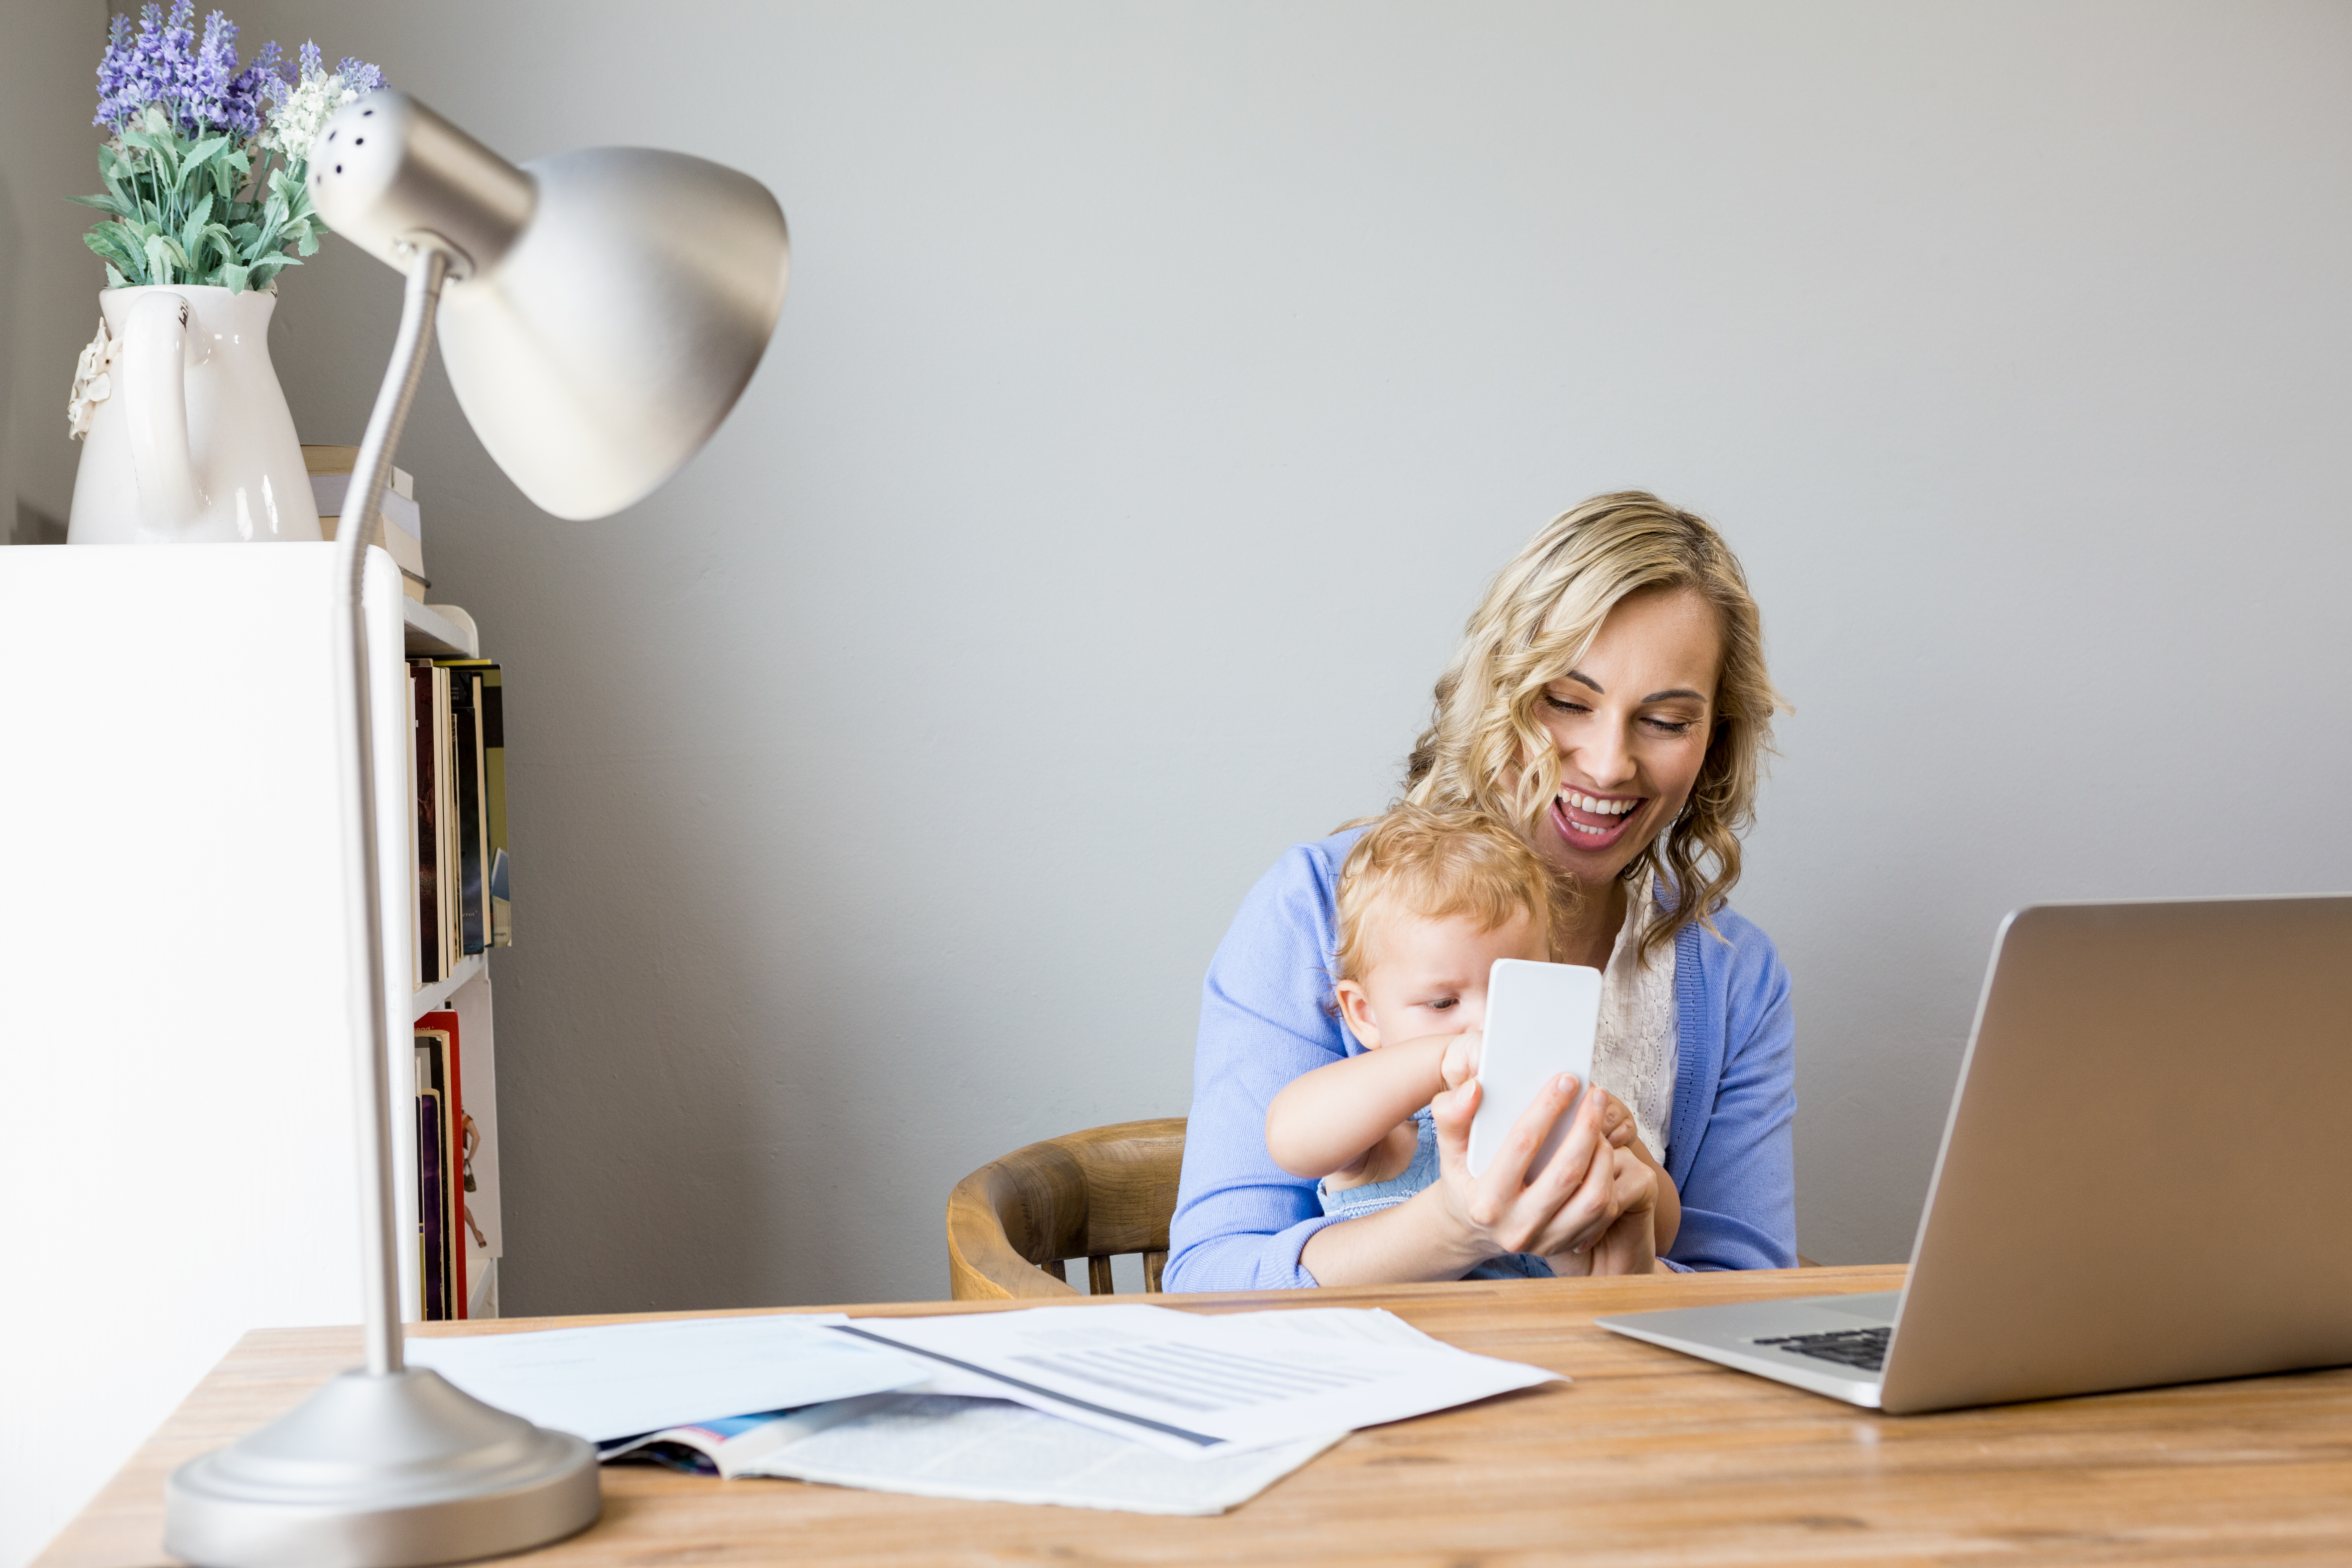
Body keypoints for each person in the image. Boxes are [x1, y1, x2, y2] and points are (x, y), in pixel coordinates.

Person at [1166, 491, 1795, 1289]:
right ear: (1497, 690)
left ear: (1715, 741)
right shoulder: (1315, 908)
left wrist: (1632, 1266)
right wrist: (1454, 1228)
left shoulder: (1734, 977)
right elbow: (1210, 1285)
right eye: (1567, 702)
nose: (1608, 765)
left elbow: (1751, 1296)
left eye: (1666, 721)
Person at [1261, 803, 1679, 1279]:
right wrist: (1443, 1060)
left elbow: (1663, 1236)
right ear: (1365, 1015)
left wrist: (1625, 1155)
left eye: (1511, 996)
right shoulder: (1383, 1134)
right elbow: (1288, 1138)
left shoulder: (1556, 1115)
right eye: (1443, 1005)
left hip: (1535, 1348)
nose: (1485, 1027)